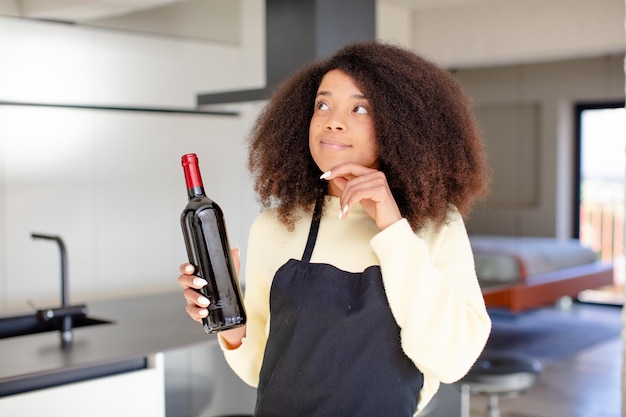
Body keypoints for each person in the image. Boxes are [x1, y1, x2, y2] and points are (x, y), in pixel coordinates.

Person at [179, 40, 492, 417]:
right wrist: (225, 321)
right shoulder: (274, 227)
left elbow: (451, 360)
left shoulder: (434, 227)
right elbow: (260, 368)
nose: (333, 120)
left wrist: (391, 226)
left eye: (360, 108)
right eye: (322, 105)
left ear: (402, 127)